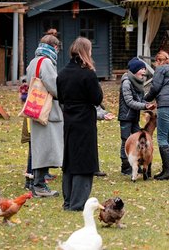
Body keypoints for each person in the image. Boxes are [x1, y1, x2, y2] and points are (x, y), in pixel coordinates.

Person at [57, 37, 103, 211]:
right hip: (84, 120)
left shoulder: (62, 73)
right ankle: (77, 203)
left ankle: (68, 200)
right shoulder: (88, 73)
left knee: (69, 159)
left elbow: (60, 97)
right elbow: (97, 98)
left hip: (69, 118)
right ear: (86, 51)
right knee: (83, 160)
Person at [26, 34, 63, 197]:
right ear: (55, 47)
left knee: (39, 147)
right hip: (47, 110)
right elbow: (54, 87)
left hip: (35, 107)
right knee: (45, 148)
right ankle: (39, 185)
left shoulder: (33, 61)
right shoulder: (46, 62)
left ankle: (35, 183)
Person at [145, 51, 169, 180]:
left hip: (166, 105)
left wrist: (146, 99)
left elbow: (155, 87)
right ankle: (168, 169)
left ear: (157, 61)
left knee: (162, 137)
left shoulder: (160, 69)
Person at [118, 57, 155, 176]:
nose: (144, 71)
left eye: (144, 68)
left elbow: (140, 99)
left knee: (139, 140)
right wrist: (144, 106)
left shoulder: (138, 82)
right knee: (125, 141)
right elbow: (129, 101)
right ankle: (125, 167)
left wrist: (149, 102)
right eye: (141, 69)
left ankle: (138, 163)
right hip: (126, 117)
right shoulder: (126, 82)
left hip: (134, 117)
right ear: (135, 70)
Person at [93, 104, 115, 177]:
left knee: (92, 146)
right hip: (73, 122)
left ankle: (94, 169)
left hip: (89, 124)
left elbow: (96, 108)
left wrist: (105, 114)